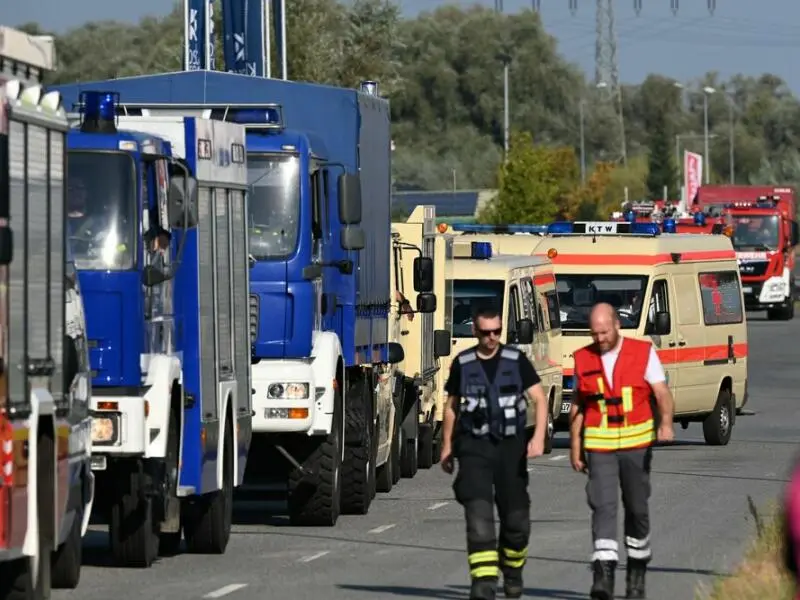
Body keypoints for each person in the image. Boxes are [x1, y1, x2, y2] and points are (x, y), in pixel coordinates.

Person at [440, 304, 549, 600]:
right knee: (478, 516)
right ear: (475, 331)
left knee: (516, 521)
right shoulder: (462, 362)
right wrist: (447, 447)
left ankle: (512, 570)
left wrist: (538, 437)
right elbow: (451, 407)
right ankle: (483, 582)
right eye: (486, 332)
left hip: (510, 447)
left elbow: (539, 399)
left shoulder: (516, 360)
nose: (491, 338)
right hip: (474, 446)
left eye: (497, 332)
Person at [569, 303, 675, 600]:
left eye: (604, 331)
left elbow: (662, 392)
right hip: (600, 445)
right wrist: (575, 446)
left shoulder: (643, 353)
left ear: (617, 325)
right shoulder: (583, 357)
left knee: (637, 508)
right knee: (603, 506)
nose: (600, 338)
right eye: (595, 333)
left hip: (636, 445)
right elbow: (579, 404)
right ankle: (603, 576)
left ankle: (637, 573)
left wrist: (666, 423)